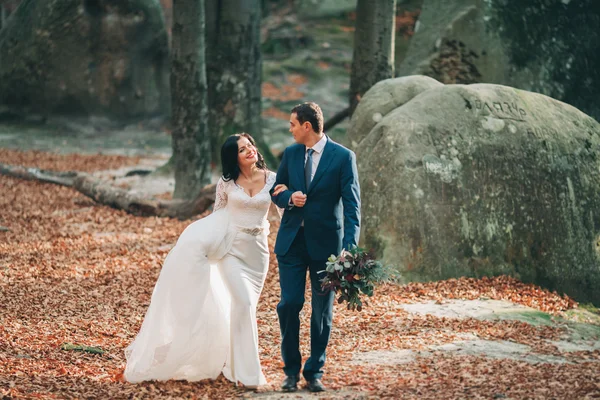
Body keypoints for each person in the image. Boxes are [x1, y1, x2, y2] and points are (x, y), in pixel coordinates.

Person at [124, 133, 286, 388]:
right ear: (234, 158)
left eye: (250, 146)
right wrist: (198, 242)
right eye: (243, 150)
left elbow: (284, 212)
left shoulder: (274, 178)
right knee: (243, 304)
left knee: (245, 308)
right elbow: (217, 216)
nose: (250, 151)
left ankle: (234, 366)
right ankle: (250, 374)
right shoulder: (227, 183)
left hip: (258, 253)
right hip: (231, 250)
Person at [270, 102, 361, 392]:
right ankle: (290, 371)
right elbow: (277, 189)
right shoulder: (291, 153)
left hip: (327, 248)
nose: (290, 129)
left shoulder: (343, 157)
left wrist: (349, 249)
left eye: (293, 124)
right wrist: (288, 199)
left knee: (322, 311)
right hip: (292, 243)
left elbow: (352, 207)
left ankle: (314, 372)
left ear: (307, 126)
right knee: (289, 305)